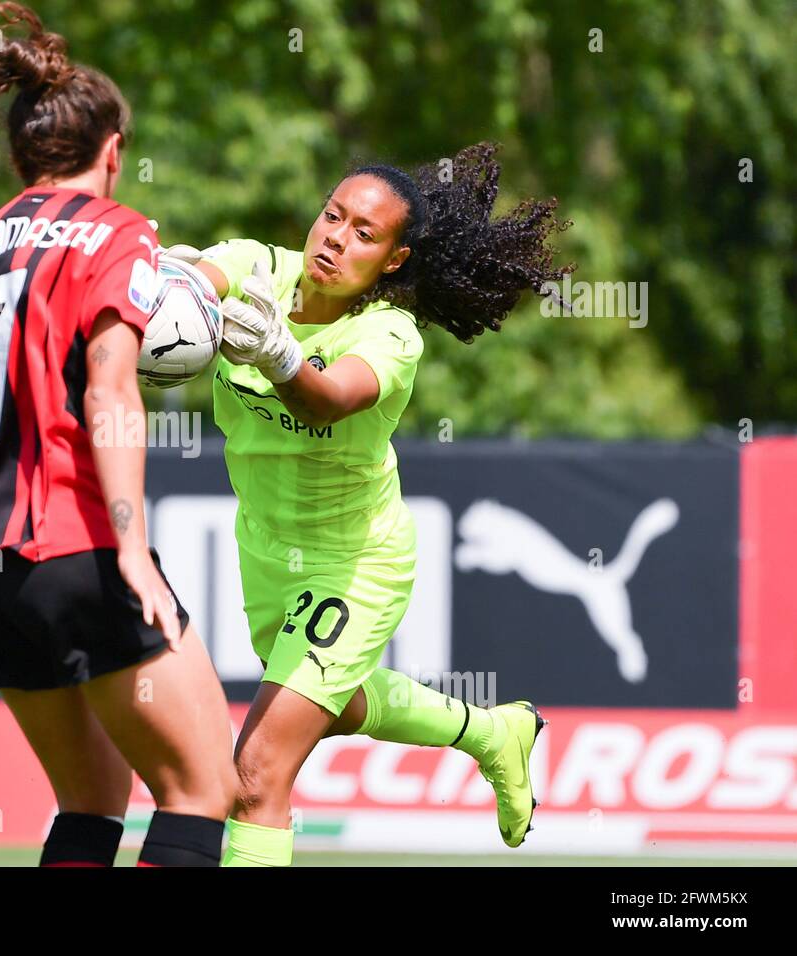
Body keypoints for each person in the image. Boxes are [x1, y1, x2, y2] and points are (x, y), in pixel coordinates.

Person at [171, 144, 571, 865]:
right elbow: (195, 279)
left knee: (257, 772)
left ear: (392, 260)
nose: (335, 238)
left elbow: (328, 401)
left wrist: (277, 354)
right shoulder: (253, 266)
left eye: (364, 233)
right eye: (333, 216)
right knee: (332, 705)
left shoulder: (390, 334)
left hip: (355, 563)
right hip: (265, 547)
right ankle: (489, 732)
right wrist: (167, 288)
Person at [0, 2, 236, 867]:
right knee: (204, 789)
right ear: (113, 150)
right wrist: (130, 551)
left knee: (91, 801)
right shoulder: (116, 233)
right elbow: (112, 392)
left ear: (19, 156)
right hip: (81, 550)